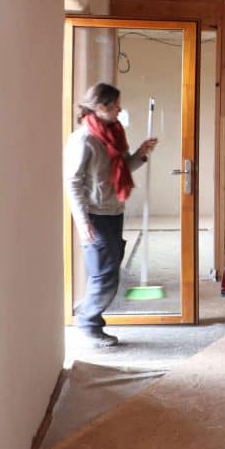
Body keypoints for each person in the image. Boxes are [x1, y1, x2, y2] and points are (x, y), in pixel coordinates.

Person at [64, 83, 158, 347]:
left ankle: (90, 317)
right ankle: (88, 323)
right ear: (101, 107)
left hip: (114, 210)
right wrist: (82, 222)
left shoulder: (113, 134)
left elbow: (123, 167)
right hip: (94, 215)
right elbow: (72, 182)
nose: (120, 109)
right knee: (105, 274)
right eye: (115, 105)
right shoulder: (83, 139)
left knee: (108, 268)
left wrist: (141, 154)